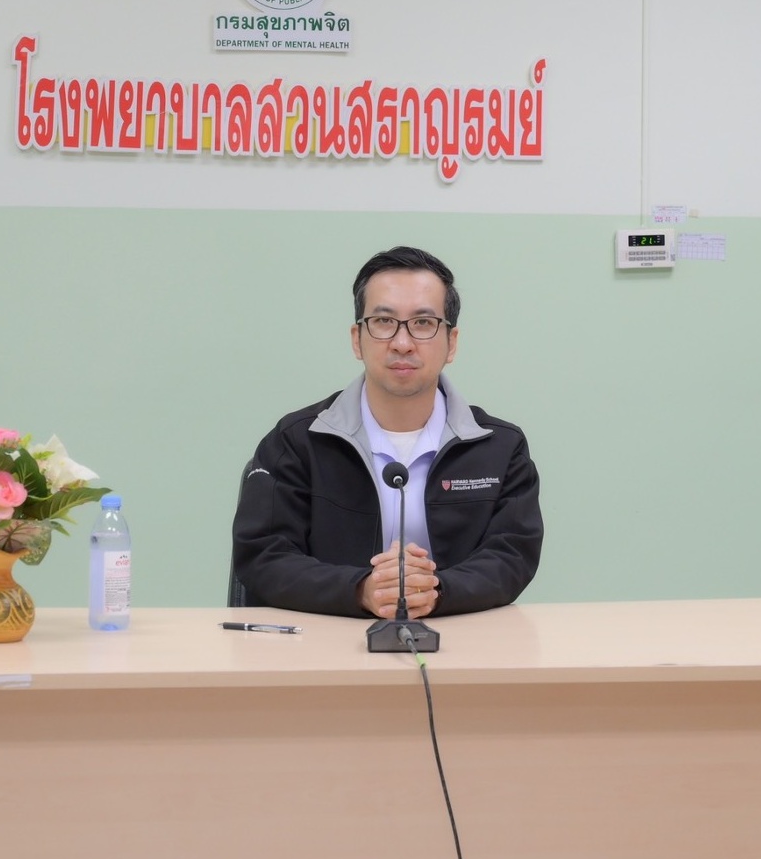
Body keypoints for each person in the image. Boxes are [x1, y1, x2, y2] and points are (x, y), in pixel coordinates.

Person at [231, 246, 543, 618]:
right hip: (329, 639)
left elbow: (512, 556)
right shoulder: (297, 441)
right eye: (383, 321)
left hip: (460, 636)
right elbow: (263, 555)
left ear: (452, 343)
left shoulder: (499, 448)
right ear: (356, 339)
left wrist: (437, 592)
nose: (402, 343)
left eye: (423, 323)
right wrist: (361, 590)